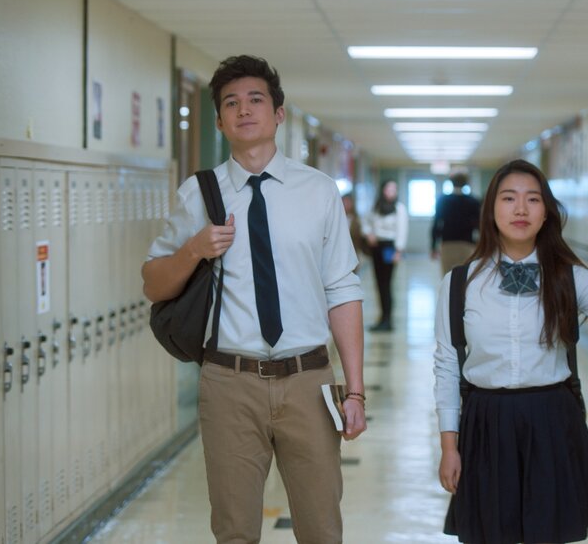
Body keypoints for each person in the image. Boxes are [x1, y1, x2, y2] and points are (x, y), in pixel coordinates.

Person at [141, 55, 367, 544]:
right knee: (234, 531)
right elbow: (154, 285)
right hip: (229, 382)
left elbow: (343, 291)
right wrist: (194, 250)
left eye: (256, 100)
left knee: (322, 529)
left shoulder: (319, 191)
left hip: (309, 381)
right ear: (220, 121)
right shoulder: (197, 194)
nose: (244, 110)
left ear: (279, 113)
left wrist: (354, 390)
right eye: (231, 103)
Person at [433, 159, 588, 544]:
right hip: (486, 423)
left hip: (551, 421)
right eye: (509, 198)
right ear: (491, 209)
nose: (520, 209)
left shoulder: (568, 276)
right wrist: (450, 447)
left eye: (533, 199)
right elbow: (447, 367)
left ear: (546, 211)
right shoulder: (460, 283)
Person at [361, 179, 408, 332]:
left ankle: (388, 320)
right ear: (383, 190)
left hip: (390, 247)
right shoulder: (376, 207)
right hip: (376, 247)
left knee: (387, 283)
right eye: (388, 189)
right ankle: (382, 318)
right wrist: (369, 234)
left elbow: (402, 230)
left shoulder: (399, 208)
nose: (391, 193)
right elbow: (366, 222)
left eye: (394, 190)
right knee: (379, 283)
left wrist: (398, 251)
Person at [431, 172, 481, 275]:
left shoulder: (443, 200)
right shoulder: (473, 201)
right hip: (467, 244)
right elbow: (479, 225)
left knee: (447, 277)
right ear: (466, 183)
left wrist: (433, 246)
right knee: (465, 277)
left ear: (451, 182)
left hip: (447, 244)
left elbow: (436, 223)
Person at [342, 192, 368, 271]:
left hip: (353, 254)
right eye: (344, 202)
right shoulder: (335, 219)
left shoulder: (357, 220)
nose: (346, 205)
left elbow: (363, 234)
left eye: (348, 202)